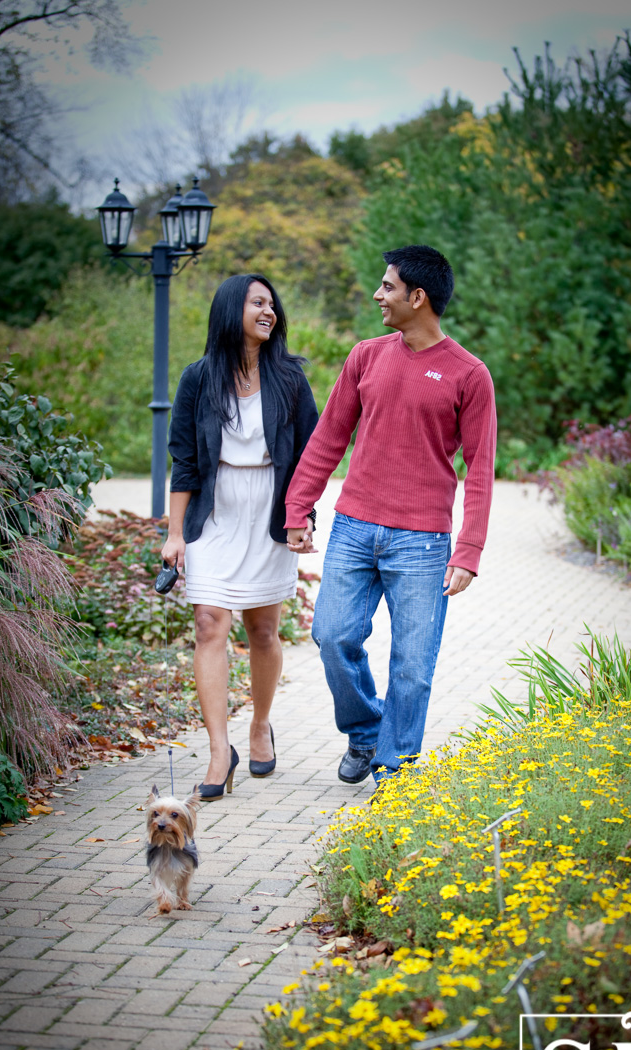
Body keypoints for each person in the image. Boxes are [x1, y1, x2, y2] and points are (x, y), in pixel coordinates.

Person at [285, 245, 496, 786]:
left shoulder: (470, 375)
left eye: (388, 287)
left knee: (412, 665)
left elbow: (481, 469)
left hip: (422, 542)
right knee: (332, 636)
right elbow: (329, 437)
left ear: (417, 297)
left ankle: (395, 770)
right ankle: (365, 731)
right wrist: (298, 507)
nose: (379, 295)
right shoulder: (366, 355)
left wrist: (468, 551)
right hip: (354, 527)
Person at [161, 274, 318, 798]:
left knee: (263, 631)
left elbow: (310, 457)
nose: (268, 311)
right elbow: (183, 459)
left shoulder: (291, 379)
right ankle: (217, 750)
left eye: (272, 304)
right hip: (216, 512)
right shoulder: (198, 378)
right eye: (257, 302)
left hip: (268, 512)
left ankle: (259, 725)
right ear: (232, 310)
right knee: (209, 623)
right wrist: (175, 533)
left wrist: (304, 516)